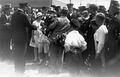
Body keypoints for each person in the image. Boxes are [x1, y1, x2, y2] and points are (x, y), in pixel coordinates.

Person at [11, 3, 32, 74]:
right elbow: (28, 25)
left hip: (15, 38)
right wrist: (36, 27)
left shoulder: (14, 15)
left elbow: (12, 26)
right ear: (24, 7)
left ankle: (16, 70)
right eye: (26, 7)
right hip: (22, 38)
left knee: (16, 54)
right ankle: (21, 71)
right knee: (22, 55)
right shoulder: (23, 15)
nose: (27, 8)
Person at [47, 8, 70, 73]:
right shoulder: (68, 21)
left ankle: (53, 69)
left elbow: (51, 27)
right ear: (67, 13)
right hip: (62, 39)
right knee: (60, 55)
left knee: (53, 55)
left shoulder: (58, 19)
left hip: (54, 39)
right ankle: (59, 70)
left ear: (61, 12)